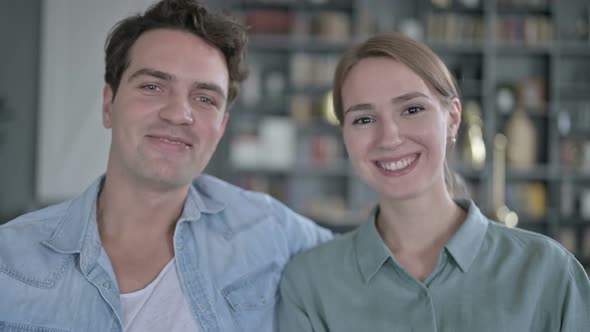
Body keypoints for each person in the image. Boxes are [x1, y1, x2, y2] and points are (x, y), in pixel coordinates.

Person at [0, 1, 331, 331]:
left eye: (205, 98)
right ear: (107, 105)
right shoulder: (9, 261)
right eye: (153, 87)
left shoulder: (270, 230)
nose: (178, 114)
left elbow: (368, 268)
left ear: (221, 127)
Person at [278, 31, 590, 332]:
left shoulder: (548, 272)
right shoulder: (309, 284)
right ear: (345, 135)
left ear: (453, 118)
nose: (389, 138)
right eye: (364, 119)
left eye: (412, 109)